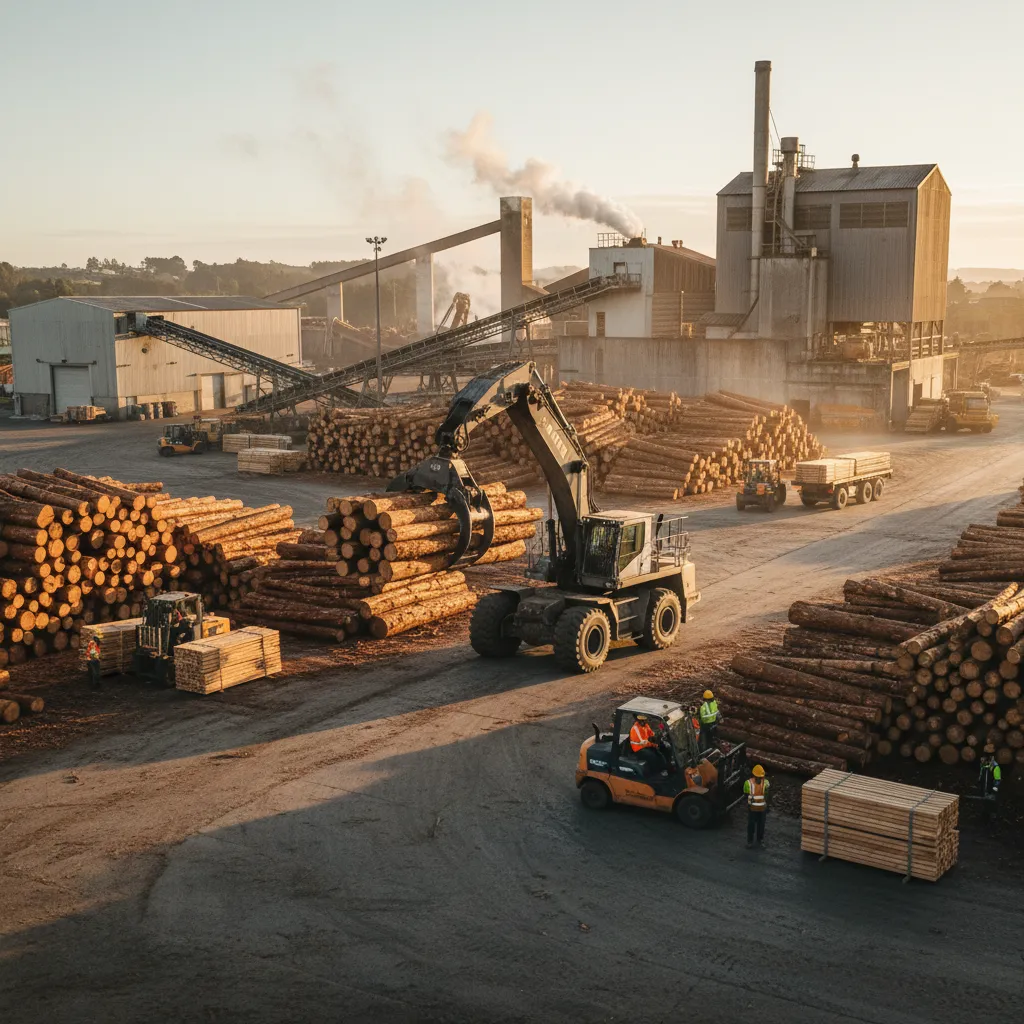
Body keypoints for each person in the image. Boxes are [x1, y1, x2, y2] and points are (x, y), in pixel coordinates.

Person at [744, 764, 770, 848]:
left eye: (761, 777)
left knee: (761, 826)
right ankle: (750, 841)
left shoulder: (765, 783)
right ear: (754, 776)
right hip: (752, 809)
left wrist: (767, 806)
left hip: (762, 809)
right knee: (751, 826)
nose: (759, 779)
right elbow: (746, 795)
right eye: (757, 777)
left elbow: (767, 795)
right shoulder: (748, 783)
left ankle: (760, 840)